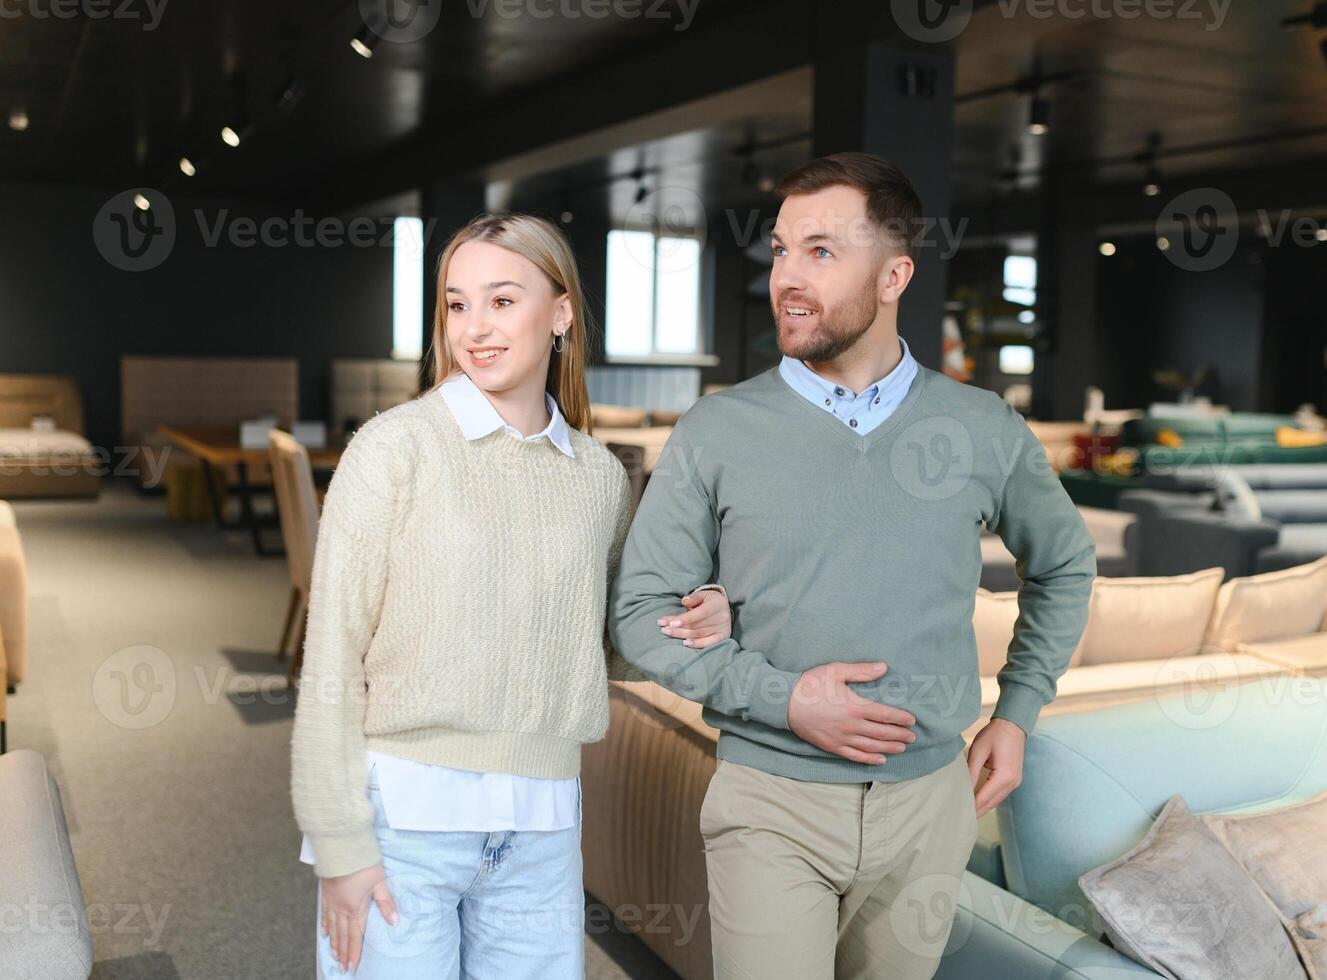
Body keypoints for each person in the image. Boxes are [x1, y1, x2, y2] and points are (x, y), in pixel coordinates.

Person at [610, 152, 1096, 979]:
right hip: (769, 800)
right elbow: (637, 613)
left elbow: (1065, 567)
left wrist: (1017, 712)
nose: (787, 279)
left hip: (929, 809)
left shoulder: (980, 426)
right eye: (781, 249)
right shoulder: (717, 430)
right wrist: (782, 698)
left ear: (893, 274)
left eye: (821, 252)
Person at [290, 212, 731, 979]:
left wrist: (704, 612)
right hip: (403, 822)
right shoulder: (395, 449)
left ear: (560, 313)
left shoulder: (597, 476)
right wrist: (337, 843)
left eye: (501, 300)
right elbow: (329, 654)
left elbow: (610, 643)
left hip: (542, 824)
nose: (474, 327)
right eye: (457, 304)